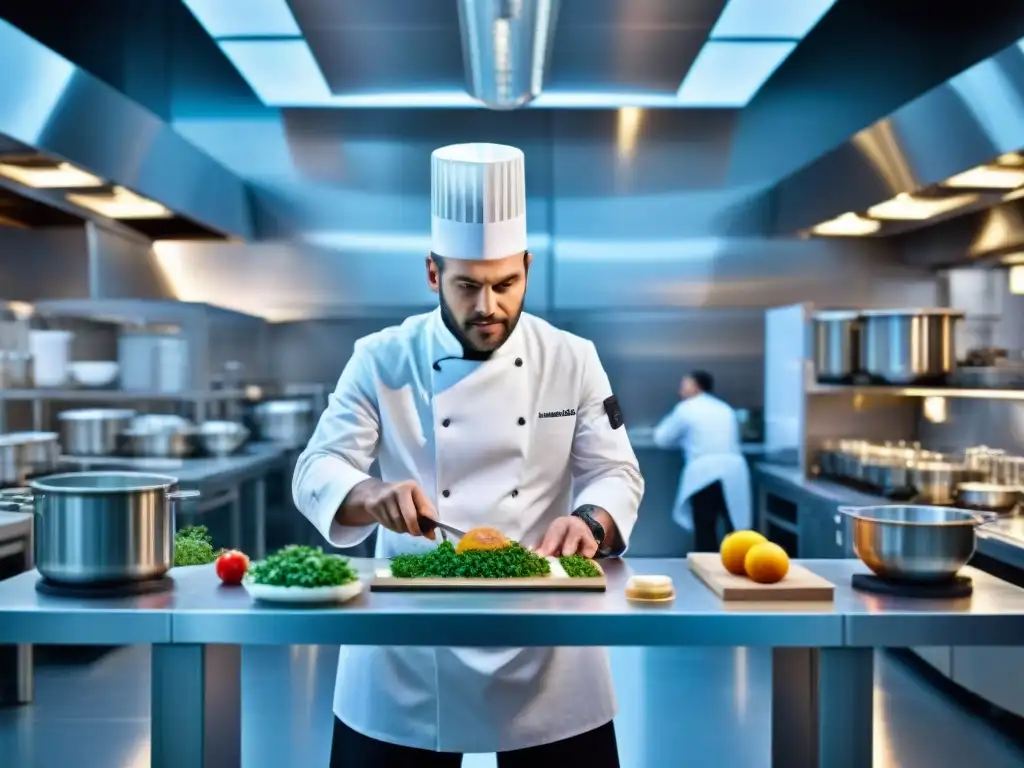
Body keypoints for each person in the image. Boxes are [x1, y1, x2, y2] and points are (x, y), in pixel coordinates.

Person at [293, 142, 644, 767]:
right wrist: (370, 495)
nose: (489, 306)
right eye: (467, 286)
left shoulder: (572, 357)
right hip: (407, 648)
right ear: (432, 273)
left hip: (549, 643)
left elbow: (615, 472)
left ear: (528, 268)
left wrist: (590, 522)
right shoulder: (381, 358)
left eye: (506, 284)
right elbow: (317, 467)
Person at [652, 370, 751, 552]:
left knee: (705, 529)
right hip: (734, 472)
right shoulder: (724, 408)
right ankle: (738, 571)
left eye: (684, 384)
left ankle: (707, 571)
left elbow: (662, 438)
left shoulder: (687, 408)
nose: (680, 389)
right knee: (735, 529)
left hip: (705, 474)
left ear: (696, 386)